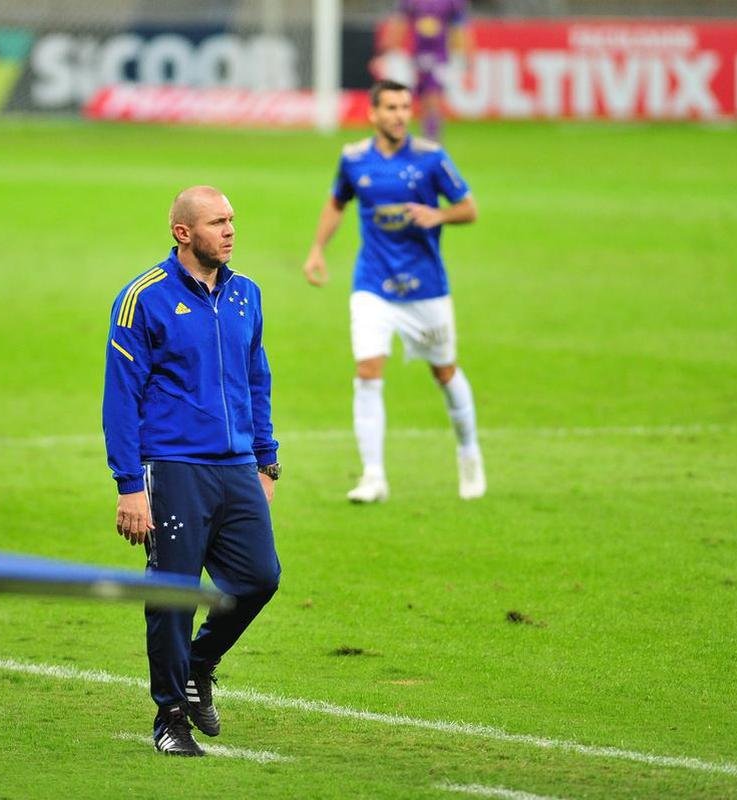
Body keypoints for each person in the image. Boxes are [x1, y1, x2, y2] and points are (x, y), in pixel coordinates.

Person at [102, 185, 282, 757]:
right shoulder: (142, 298)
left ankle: (198, 665)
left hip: (236, 466)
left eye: (232, 219)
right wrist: (130, 486)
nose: (229, 230)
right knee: (175, 592)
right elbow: (120, 397)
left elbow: (258, 380)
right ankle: (170, 718)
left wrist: (266, 458)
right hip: (174, 466)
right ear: (183, 233)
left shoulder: (246, 295)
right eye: (216, 222)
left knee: (260, 578)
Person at [302, 80, 484, 503]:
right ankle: (373, 476)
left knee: (444, 371)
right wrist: (317, 249)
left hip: (426, 288)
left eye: (405, 107)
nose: (401, 114)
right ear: (373, 114)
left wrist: (438, 215)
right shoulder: (353, 159)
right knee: (367, 373)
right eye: (392, 107)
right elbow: (336, 204)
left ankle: (469, 451)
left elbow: (469, 209)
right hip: (373, 286)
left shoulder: (430, 158)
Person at [370, 0, 471, 141]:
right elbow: (400, 25)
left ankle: (431, 142)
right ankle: (421, 141)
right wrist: (386, 53)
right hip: (415, 57)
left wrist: (464, 57)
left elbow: (459, 30)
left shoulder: (453, 3)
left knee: (432, 98)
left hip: (439, 58)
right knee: (420, 101)